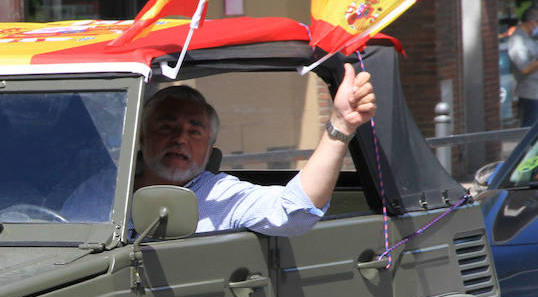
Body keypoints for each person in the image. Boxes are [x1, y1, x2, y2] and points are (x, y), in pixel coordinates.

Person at [133, 62, 376, 236]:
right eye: (167, 127)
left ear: (210, 149)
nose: (180, 139)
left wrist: (340, 125)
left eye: (195, 131)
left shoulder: (222, 197)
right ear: (142, 138)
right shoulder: (107, 193)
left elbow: (293, 212)